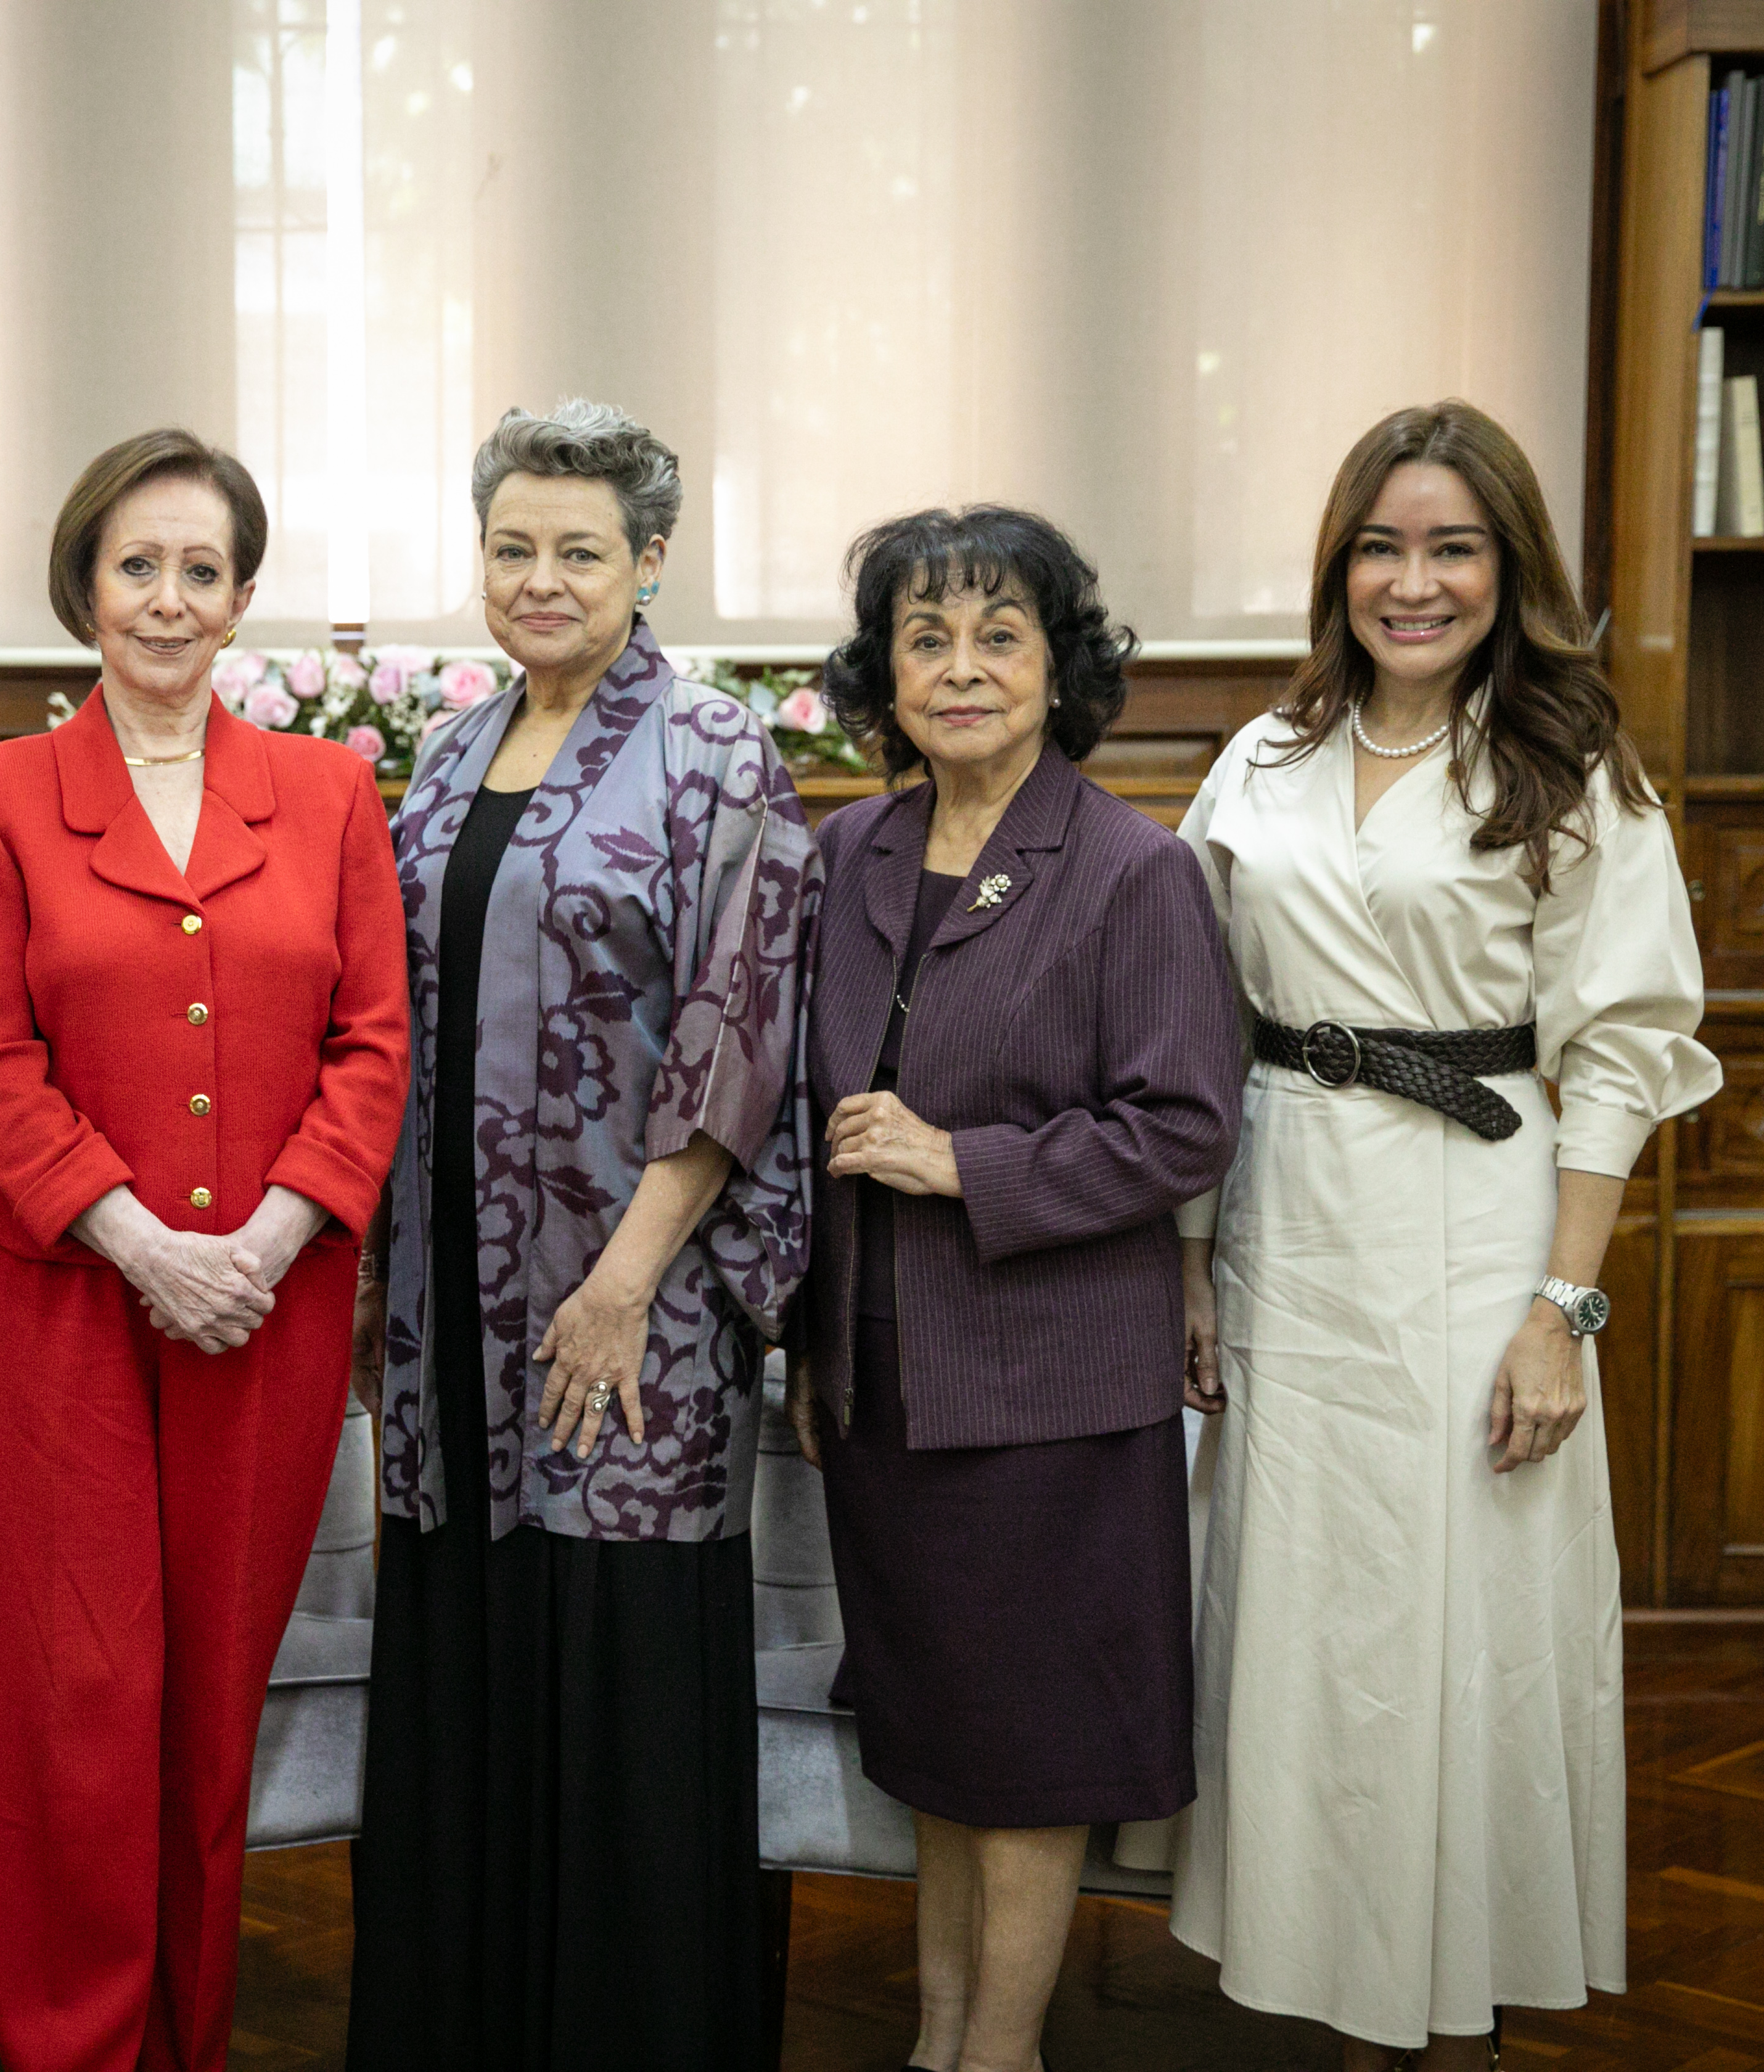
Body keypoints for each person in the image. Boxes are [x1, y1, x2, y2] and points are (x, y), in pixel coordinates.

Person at [1168, 400, 1721, 2068]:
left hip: (1476, 1233)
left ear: (1509, 571)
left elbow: (1622, 1050)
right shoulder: (1261, 761)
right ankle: (1321, 1984)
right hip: (1284, 1213)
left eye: (1453, 548)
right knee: (1305, 1622)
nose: (1415, 582)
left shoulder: (1570, 771)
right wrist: (1189, 1256)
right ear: (1340, 567)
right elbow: (1192, 1016)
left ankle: (1452, 2000)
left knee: (1457, 1627)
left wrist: (1565, 1307)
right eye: (1383, 547)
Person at [344, 400, 818, 2072]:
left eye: (580, 551)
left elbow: (740, 1030)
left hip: (636, 1311)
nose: (540, 579)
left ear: (651, 563)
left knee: (618, 1695)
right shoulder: (453, 750)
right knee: (471, 1668)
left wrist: (625, 1282)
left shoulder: (715, 748)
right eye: (512, 548)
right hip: (449, 1318)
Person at [0, 427, 409, 2072]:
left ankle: (186, 2044)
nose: (168, 597)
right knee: (85, 1705)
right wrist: (152, 1247)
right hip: (70, 1303)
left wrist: (263, 1243)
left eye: (202, 569)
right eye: (138, 564)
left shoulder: (335, 792)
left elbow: (374, 1046)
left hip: (271, 1308)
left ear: (244, 599)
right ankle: (74, 2049)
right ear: (86, 587)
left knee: (214, 1705)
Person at [781, 505, 1239, 2072]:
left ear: (1060, 668)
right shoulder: (850, 851)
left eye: (999, 636)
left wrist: (965, 1162)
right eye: (926, 637)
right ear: (884, 673)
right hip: (885, 1377)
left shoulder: (1130, 871)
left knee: (1031, 1753)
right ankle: (935, 2046)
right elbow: (801, 1113)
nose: (961, 669)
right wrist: (807, 1343)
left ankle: (1002, 2056)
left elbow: (1185, 1126)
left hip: (1047, 1386)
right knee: (938, 1741)